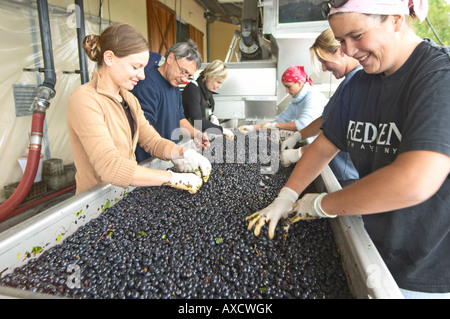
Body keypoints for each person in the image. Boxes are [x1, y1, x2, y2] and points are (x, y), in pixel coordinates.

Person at [246, 0, 450, 298]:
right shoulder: (360, 84)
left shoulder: (438, 76)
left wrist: (321, 205)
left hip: (424, 269)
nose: (349, 50)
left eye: (357, 35)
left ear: (395, 19)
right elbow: (326, 143)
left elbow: (416, 180)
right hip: (373, 244)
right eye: (341, 40)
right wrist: (287, 195)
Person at [66, 23, 212, 195]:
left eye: (143, 68)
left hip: (126, 195)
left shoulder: (129, 99)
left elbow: (152, 141)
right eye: (136, 67)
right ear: (109, 58)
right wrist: (172, 178)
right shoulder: (84, 100)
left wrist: (182, 153)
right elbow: (110, 166)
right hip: (96, 203)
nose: (142, 75)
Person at [280, 28, 361, 187]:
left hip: (347, 175)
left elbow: (341, 132)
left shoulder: (359, 83)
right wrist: (297, 136)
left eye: (324, 61)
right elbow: (326, 119)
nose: (323, 68)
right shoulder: (348, 83)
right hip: (337, 168)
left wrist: (300, 153)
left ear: (340, 51)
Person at [131, 40, 210, 163]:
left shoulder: (174, 86)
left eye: (188, 76)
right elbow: (143, 128)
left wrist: (195, 134)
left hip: (168, 159)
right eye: (183, 71)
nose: (184, 79)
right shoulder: (147, 85)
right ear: (170, 58)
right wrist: (175, 151)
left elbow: (179, 118)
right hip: (149, 162)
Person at [238, 65, 327, 133]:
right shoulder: (296, 102)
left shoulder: (313, 97)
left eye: (288, 87)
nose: (287, 91)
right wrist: (252, 128)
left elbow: (302, 124)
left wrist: (275, 126)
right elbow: (280, 120)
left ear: (299, 83)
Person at [182, 60, 235, 141]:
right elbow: (197, 121)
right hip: (186, 139)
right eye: (218, 82)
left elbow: (206, 112)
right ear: (209, 76)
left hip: (199, 138)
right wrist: (221, 130)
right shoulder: (193, 89)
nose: (219, 86)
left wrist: (212, 117)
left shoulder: (207, 92)